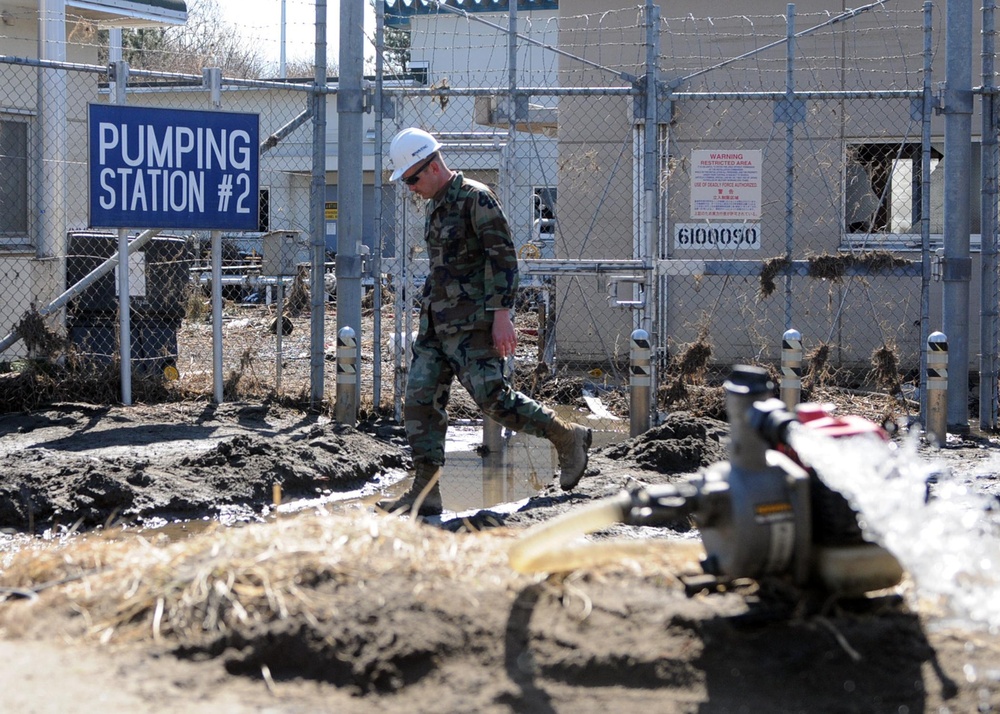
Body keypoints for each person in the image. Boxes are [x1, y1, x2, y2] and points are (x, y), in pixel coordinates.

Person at [378, 127, 592, 517]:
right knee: (420, 403)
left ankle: (566, 436)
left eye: (411, 179)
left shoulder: (477, 199)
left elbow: (504, 259)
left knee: (494, 399)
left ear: (431, 166)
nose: (410, 188)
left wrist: (502, 316)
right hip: (436, 326)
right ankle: (426, 493)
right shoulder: (436, 206)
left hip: (473, 324)